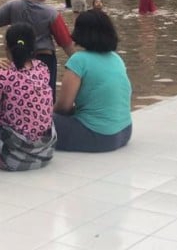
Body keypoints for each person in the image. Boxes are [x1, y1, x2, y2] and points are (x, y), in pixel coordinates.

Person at [0, 23, 56, 171]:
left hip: (14, 159)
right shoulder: (43, 68)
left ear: (6, 48)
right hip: (45, 153)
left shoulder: (2, 77)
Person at [53, 10, 132, 152]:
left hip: (98, 136)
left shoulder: (78, 60)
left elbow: (63, 107)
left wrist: (46, 112)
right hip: (124, 131)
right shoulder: (116, 58)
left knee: (37, 120)